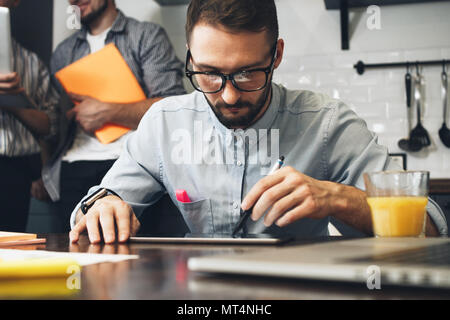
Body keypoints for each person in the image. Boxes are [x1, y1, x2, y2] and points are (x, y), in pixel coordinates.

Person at [69, 0, 447, 243]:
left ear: (277, 54)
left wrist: (337, 197)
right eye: (209, 74)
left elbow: (430, 228)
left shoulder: (328, 125)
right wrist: (105, 205)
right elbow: (93, 208)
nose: (229, 95)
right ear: (191, 57)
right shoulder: (164, 125)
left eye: (248, 74)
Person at [44, 0, 186, 231]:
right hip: (73, 168)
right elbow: (52, 123)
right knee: (75, 258)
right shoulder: (63, 51)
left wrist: (108, 112)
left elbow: (171, 108)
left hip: (130, 163)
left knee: (135, 259)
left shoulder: (146, 36)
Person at [0, 0, 59, 231]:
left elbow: (50, 126)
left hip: (15, 172)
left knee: (10, 251)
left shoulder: (31, 63)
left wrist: (15, 102)